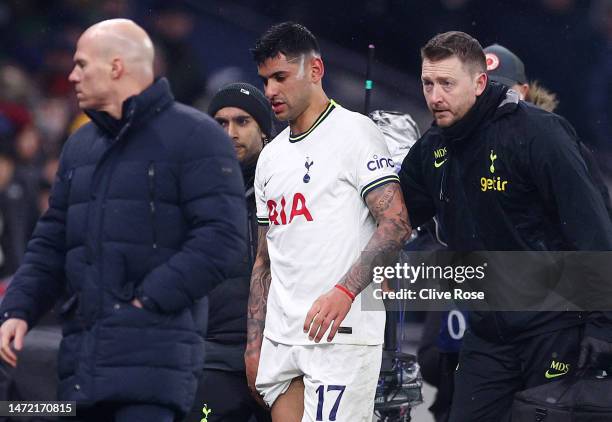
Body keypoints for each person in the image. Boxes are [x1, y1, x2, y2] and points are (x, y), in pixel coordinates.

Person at [0, 19, 246, 422]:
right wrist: (18, 309)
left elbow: (222, 240)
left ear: (116, 66)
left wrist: (145, 301)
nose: (71, 75)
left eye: (81, 65)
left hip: (154, 372)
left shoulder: (198, 136)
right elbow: (51, 242)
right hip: (80, 369)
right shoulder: (79, 146)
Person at [399, 31, 612, 421]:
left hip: (554, 326)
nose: (435, 96)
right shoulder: (434, 148)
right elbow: (395, 219)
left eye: (447, 83)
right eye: (428, 84)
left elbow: (595, 232)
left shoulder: (544, 136)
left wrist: (603, 325)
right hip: (486, 329)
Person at [245, 22, 411, 422]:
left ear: (315, 70)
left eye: (281, 77)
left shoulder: (356, 132)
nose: (270, 91)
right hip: (281, 338)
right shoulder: (270, 157)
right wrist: (254, 344)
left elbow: (396, 223)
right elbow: (264, 259)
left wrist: (344, 292)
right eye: (265, 80)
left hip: (342, 335)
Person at [185, 82, 273, 422]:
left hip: (279, 356)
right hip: (212, 357)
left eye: (242, 122)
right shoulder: (191, 192)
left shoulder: (290, 188)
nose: (230, 132)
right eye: (220, 123)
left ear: (264, 131)